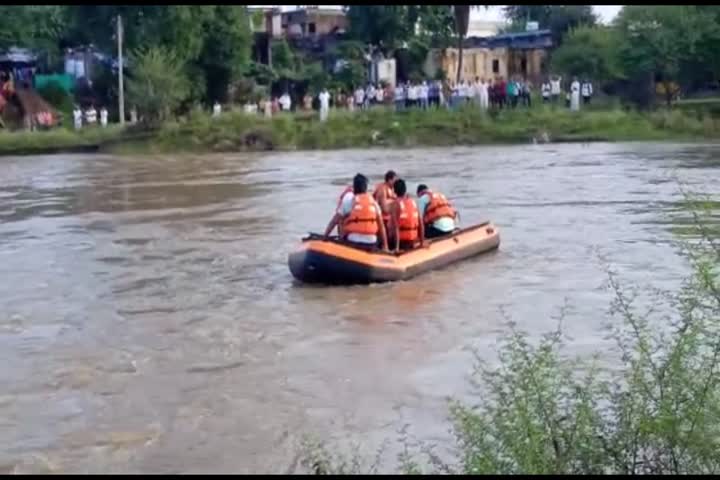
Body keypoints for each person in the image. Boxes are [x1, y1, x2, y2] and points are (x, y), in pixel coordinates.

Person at [324, 173, 388, 251]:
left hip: (353, 242)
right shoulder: (373, 203)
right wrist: (385, 246)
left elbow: (334, 222)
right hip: (371, 242)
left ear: (354, 187)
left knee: (342, 223)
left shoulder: (348, 201)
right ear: (366, 188)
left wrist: (325, 237)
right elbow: (381, 227)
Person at [388, 178, 424, 252]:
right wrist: (422, 243)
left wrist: (397, 248)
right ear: (405, 190)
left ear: (394, 191)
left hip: (402, 242)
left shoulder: (395, 204)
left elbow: (395, 227)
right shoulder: (413, 202)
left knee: (387, 228)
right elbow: (421, 224)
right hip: (413, 240)